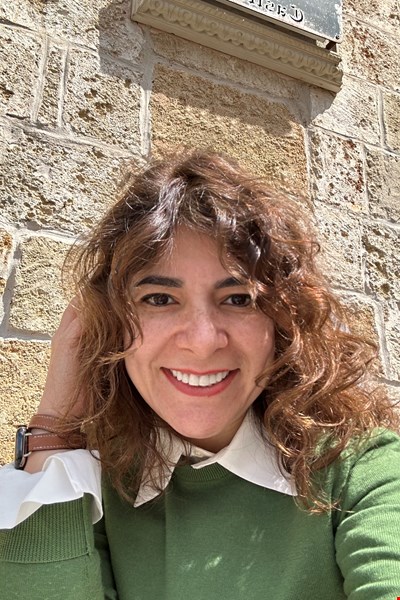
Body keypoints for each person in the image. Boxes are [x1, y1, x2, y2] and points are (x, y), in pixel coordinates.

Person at [0, 149, 399, 600]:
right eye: (159, 299)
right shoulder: (88, 491)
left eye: (239, 299)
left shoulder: (363, 470)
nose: (204, 341)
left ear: (283, 322)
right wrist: (55, 425)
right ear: (109, 324)